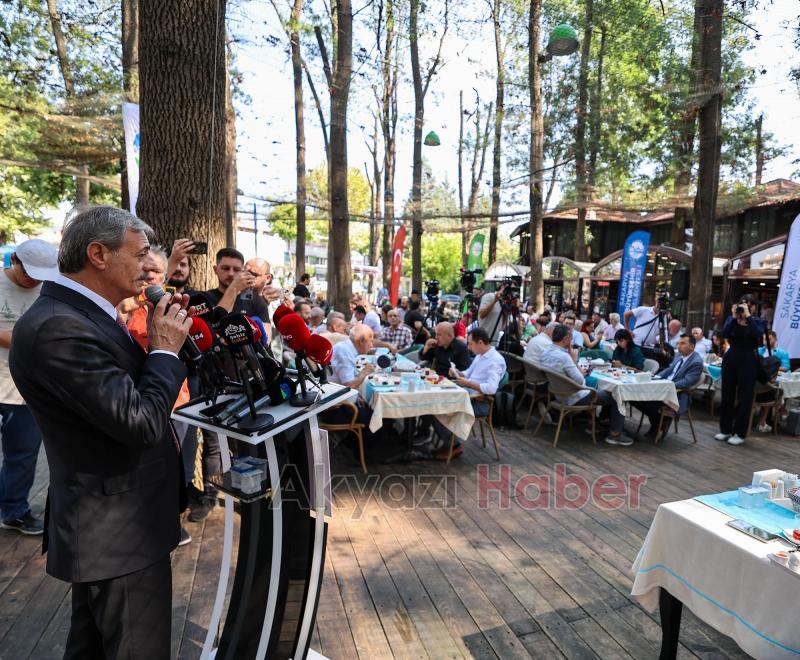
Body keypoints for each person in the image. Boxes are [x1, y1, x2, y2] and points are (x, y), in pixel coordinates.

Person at [9, 206, 191, 657]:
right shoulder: (59, 327)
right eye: (141, 253)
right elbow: (140, 422)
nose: (151, 265)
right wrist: (164, 352)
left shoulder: (83, 314)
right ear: (98, 254)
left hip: (118, 525)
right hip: (117, 532)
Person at [125, 247, 193, 546]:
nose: (149, 276)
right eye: (145, 269)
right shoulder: (123, 305)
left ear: (166, 276)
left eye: (156, 271)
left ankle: (169, 524)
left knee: (172, 466)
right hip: (138, 402)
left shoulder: (173, 307)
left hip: (175, 400)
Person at [0, 239, 59, 534]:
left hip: (26, 389)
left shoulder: (50, 290)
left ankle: (14, 510)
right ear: (14, 260)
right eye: (28, 273)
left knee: (22, 456)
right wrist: (29, 337)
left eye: (40, 275)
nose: (33, 281)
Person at [540, 324, 631, 446]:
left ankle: (595, 423)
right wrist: (573, 360)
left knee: (599, 388)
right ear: (566, 339)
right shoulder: (564, 357)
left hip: (558, 394)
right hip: (574, 397)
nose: (572, 341)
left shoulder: (545, 352)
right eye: (571, 338)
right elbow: (580, 380)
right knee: (617, 394)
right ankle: (615, 434)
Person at [428, 328, 506, 460]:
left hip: (479, 402)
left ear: (480, 343)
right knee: (431, 404)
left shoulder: (495, 360)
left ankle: (454, 445)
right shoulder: (480, 356)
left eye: (470, 344)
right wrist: (458, 373)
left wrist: (468, 383)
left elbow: (491, 388)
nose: (468, 347)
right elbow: (468, 373)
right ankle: (449, 442)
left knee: (435, 408)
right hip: (467, 396)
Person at [715, 295, 766, 446]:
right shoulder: (732, 319)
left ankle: (740, 432)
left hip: (748, 358)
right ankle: (725, 429)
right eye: (743, 304)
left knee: (745, 397)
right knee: (727, 394)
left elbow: (758, 335)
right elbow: (724, 334)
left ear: (753, 307)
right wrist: (733, 317)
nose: (745, 307)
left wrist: (748, 317)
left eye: (749, 305)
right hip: (731, 357)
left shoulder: (758, 321)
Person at [631, 334, 704, 439]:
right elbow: (669, 370)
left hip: (677, 394)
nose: (679, 346)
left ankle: (657, 426)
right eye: (679, 343)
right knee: (634, 397)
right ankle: (660, 422)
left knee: (650, 402)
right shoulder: (679, 355)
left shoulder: (696, 362)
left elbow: (686, 382)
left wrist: (666, 385)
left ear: (692, 346)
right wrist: (655, 377)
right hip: (663, 387)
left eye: (683, 343)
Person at [205, 247, 271, 321]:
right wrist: (234, 287)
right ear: (215, 269)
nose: (231, 273)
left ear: (242, 272)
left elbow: (266, 328)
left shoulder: (256, 301)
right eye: (226, 268)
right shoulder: (204, 298)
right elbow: (213, 323)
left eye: (236, 270)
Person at [753, 330, 790, 433]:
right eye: (765, 339)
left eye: (769, 339)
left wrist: (770, 367)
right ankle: (780, 410)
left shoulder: (782, 353)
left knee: (772, 389)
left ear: (775, 339)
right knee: (771, 391)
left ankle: (778, 411)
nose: (766, 342)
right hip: (762, 383)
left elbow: (786, 368)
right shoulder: (759, 350)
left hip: (771, 379)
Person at [623, 291, 670, 362]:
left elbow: (661, 332)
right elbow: (626, 314)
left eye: (663, 302)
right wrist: (627, 330)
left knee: (646, 366)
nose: (661, 303)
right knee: (633, 364)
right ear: (656, 300)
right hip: (636, 344)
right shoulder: (644, 310)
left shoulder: (663, 316)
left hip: (650, 347)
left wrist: (662, 348)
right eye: (660, 301)